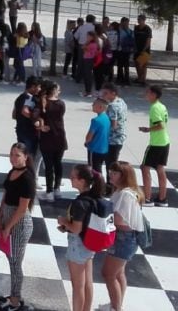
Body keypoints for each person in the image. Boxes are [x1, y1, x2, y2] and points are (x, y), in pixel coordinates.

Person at [57, 165, 105, 311]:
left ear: (82, 181)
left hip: (78, 245)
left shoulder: (80, 203)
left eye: (73, 177)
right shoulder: (95, 196)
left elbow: (76, 229)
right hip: (89, 243)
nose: (70, 179)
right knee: (87, 282)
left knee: (77, 286)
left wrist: (63, 221)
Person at [0, 143, 36, 311]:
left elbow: (22, 208)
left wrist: (7, 227)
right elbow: (6, 196)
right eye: (11, 154)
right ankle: (13, 293)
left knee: (15, 263)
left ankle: (15, 299)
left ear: (25, 157)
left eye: (17, 155)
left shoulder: (27, 178)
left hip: (19, 224)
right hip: (8, 219)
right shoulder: (12, 172)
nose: (13, 158)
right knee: (11, 260)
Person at [102, 162, 145, 311]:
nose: (110, 175)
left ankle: (116, 307)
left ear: (124, 175)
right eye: (110, 172)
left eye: (114, 173)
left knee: (108, 274)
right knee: (118, 273)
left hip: (123, 238)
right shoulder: (125, 191)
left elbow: (119, 220)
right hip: (126, 238)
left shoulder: (125, 195)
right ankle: (117, 304)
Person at [37, 80, 68, 202]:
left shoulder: (43, 103)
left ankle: (49, 191)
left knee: (49, 166)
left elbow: (38, 115)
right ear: (54, 90)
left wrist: (41, 125)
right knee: (58, 164)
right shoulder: (61, 104)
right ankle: (57, 189)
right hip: (59, 136)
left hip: (47, 137)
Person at [139, 85, 170, 206]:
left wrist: (148, 129)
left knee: (145, 168)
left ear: (153, 95)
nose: (146, 94)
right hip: (164, 141)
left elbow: (160, 125)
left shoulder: (154, 108)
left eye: (148, 92)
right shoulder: (162, 106)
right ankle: (162, 198)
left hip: (156, 143)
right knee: (160, 168)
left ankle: (147, 198)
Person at [101, 83, 128, 169]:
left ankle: (111, 182)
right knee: (112, 162)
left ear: (113, 93)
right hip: (120, 136)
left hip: (113, 139)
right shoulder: (121, 101)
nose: (103, 95)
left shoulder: (112, 106)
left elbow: (113, 125)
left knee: (110, 165)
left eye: (106, 93)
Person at [87, 98, 111, 173]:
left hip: (95, 148)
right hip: (104, 148)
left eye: (94, 104)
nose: (92, 105)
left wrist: (87, 142)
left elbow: (89, 136)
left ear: (100, 107)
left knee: (94, 170)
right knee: (98, 168)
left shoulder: (96, 120)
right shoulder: (107, 118)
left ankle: (98, 184)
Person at [132, 15, 152, 85]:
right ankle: (139, 78)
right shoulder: (136, 28)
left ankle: (143, 80)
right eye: (138, 19)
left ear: (144, 20)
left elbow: (148, 41)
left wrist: (143, 50)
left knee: (143, 65)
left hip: (145, 50)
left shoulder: (148, 29)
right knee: (137, 64)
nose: (138, 21)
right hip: (137, 49)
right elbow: (133, 38)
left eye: (140, 19)